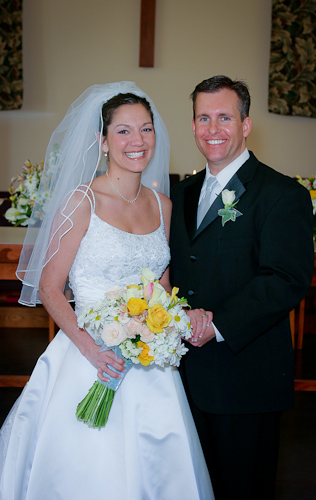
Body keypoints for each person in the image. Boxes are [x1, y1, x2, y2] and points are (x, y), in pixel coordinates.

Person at [0, 82, 214, 500]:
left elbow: (162, 287)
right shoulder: (83, 201)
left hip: (151, 361)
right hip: (88, 356)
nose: (138, 141)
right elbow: (49, 286)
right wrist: (90, 349)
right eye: (124, 131)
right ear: (102, 141)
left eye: (146, 129)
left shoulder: (162, 206)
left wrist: (169, 324)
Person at [169, 75, 314, 500]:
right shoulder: (180, 193)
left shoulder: (281, 194)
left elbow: (285, 278)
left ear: (246, 125)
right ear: (193, 125)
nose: (213, 129)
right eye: (203, 118)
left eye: (224, 118)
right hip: (182, 376)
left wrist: (217, 324)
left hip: (245, 378)